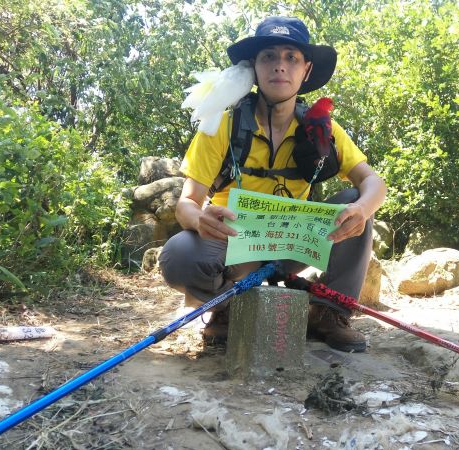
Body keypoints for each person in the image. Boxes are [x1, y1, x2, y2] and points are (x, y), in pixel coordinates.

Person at [159, 16, 387, 352]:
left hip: (296, 243)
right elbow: (186, 204)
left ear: (306, 70)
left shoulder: (322, 129)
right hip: (234, 246)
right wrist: (199, 219)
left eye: (291, 57)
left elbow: (373, 182)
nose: (280, 66)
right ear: (254, 66)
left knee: (354, 199)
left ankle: (330, 313)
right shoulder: (222, 126)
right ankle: (225, 309)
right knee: (178, 255)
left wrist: (362, 207)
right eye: (269, 56)